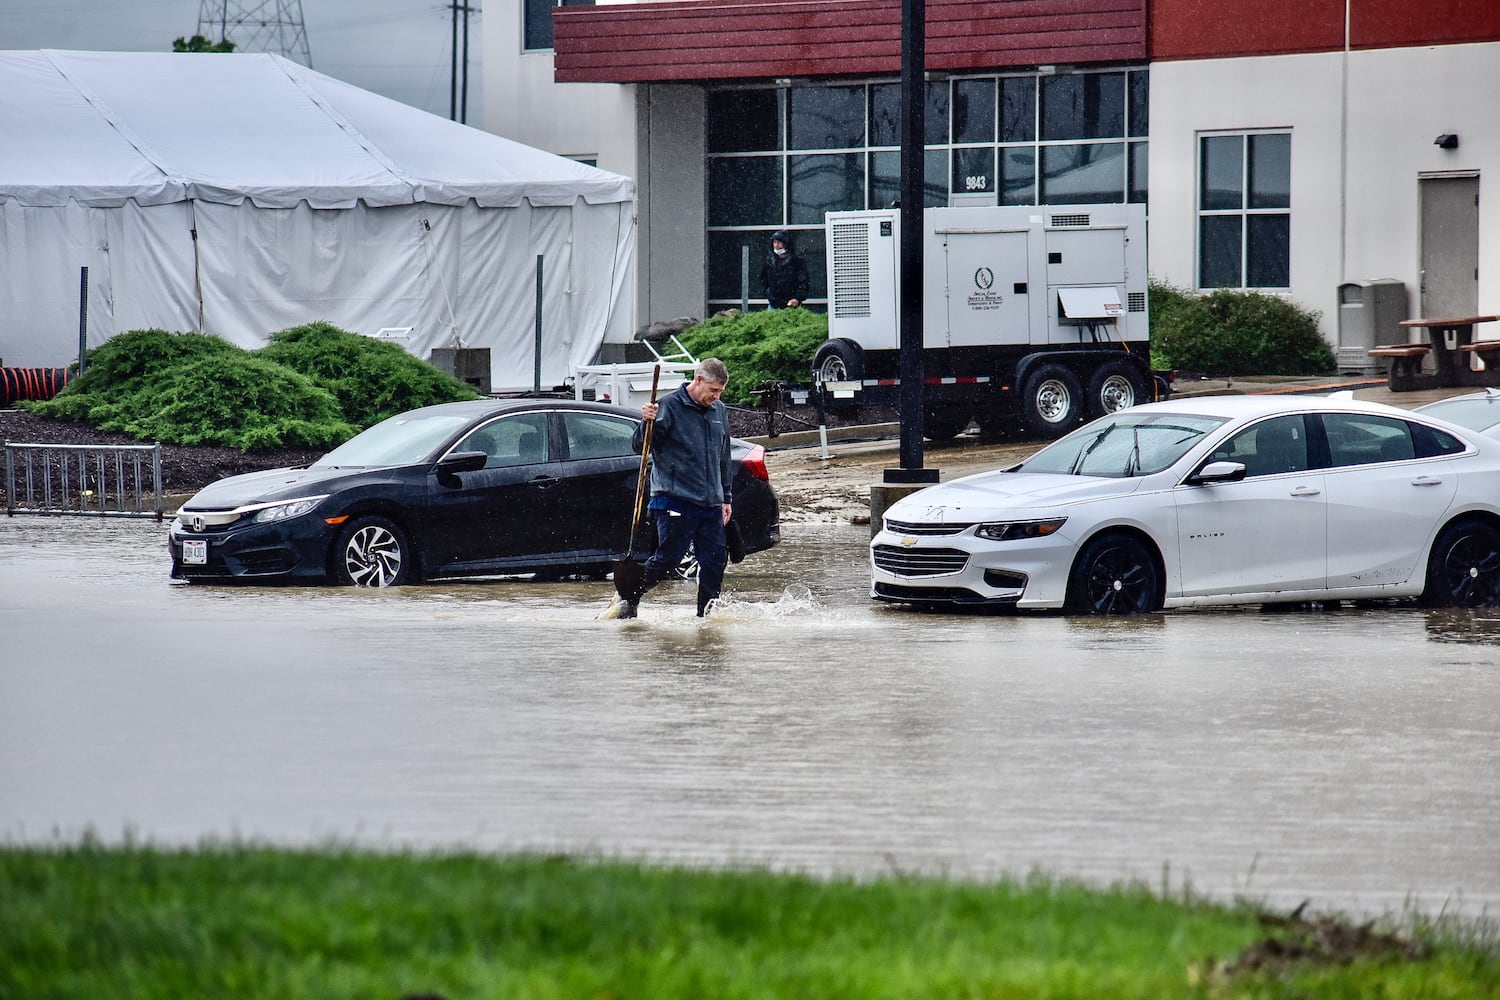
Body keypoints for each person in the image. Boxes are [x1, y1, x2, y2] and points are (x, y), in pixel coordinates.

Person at [613, 358, 735, 619]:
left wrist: (726, 497)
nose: (715, 396)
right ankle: (628, 597)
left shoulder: (719, 411)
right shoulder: (667, 406)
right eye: (713, 390)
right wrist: (647, 422)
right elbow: (639, 446)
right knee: (667, 561)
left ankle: (706, 619)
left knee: (714, 564)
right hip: (673, 498)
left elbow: (724, 456)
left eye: (720, 392)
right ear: (698, 380)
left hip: (711, 502)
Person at [759, 230, 810, 309]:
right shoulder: (769, 261)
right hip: (773, 304)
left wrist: (797, 298)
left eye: (779, 242)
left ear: (787, 244)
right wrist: (768, 293)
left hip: (792, 304)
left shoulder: (797, 262)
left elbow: (803, 282)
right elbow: (763, 279)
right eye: (775, 242)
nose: (776, 245)